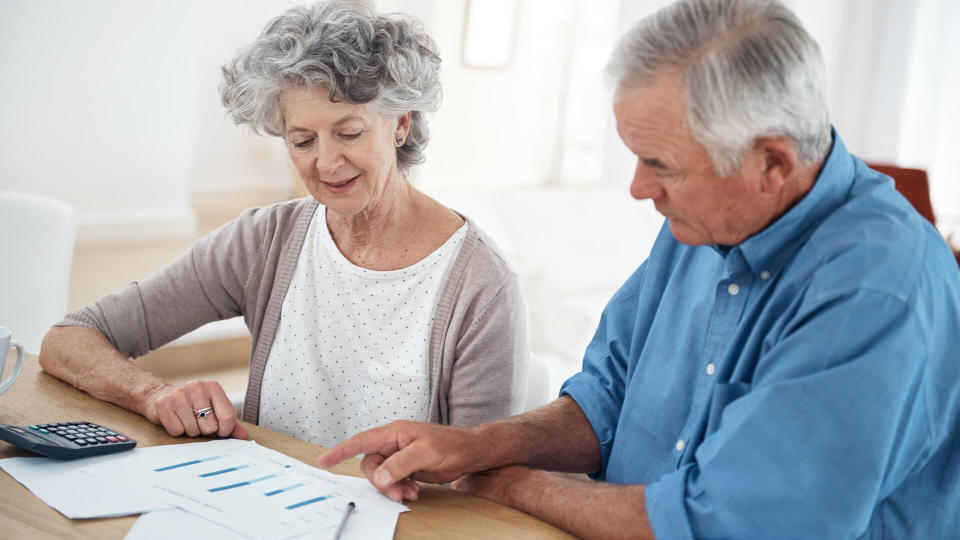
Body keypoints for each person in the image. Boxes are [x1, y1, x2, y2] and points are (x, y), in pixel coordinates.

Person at [317, 0, 960, 536]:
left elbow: (723, 523)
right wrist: (481, 445)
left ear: (773, 164)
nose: (637, 189)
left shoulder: (877, 290)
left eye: (663, 165)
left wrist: (511, 483)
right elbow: (606, 399)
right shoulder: (701, 223)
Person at [38, 1, 527, 450]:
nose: (326, 162)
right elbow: (70, 338)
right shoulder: (265, 240)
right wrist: (152, 393)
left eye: (349, 132)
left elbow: (482, 482)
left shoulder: (480, 285)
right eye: (302, 140)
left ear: (401, 123)